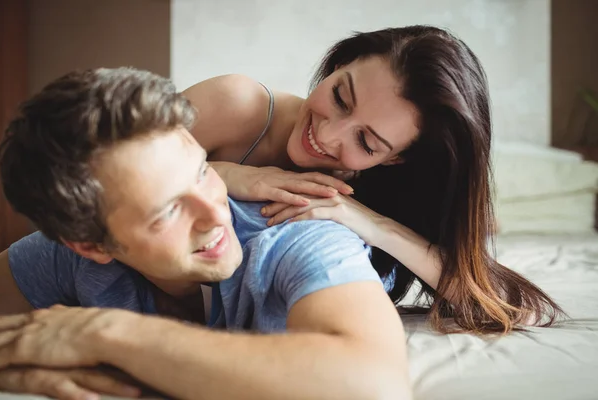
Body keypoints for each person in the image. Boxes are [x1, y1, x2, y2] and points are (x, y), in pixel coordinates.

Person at [0, 67, 411, 400]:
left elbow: (376, 383)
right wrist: (15, 366)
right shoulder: (67, 257)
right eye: (169, 210)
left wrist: (104, 334)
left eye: (202, 172)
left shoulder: (296, 233)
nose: (215, 213)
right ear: (92, 245)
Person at [181, 25, 564, 333]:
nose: (328, 136)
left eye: (366, 141)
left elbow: (513, 308)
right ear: (337, 67)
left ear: (397, 158)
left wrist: (371, 222)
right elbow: (121, 171)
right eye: (340, 98)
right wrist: (224, 175)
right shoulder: (237, 104)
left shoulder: (381, 192)